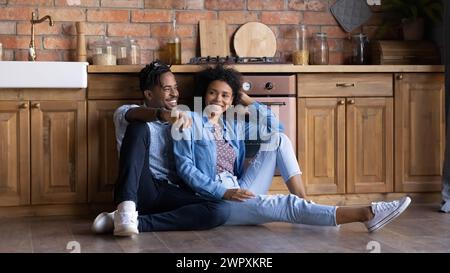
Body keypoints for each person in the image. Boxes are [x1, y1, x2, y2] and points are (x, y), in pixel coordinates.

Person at [173, 64, 411, 232]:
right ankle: (367, 214)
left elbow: (275, 126)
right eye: (213, 92)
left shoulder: (231, 127)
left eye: (226, 95)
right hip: (217, 200)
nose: (219, 99)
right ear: (204, 94)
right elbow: (186, 169)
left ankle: (307, 203)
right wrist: (223, 192)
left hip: (240, 187)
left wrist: (245, 99)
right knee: (283, 205)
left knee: (278, 139)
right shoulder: (190, 121)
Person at [91, 61, 230, 236]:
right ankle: (126, 210)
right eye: (167, 89)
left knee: (220, 209)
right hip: (142, 189)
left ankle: (133, 223)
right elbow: (133, 114)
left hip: (170, 191)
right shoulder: (126, 112)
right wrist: (162, 114)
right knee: (138, 127)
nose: (175, 93)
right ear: (149, 94)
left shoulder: (185, 119)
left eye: (175, 87)